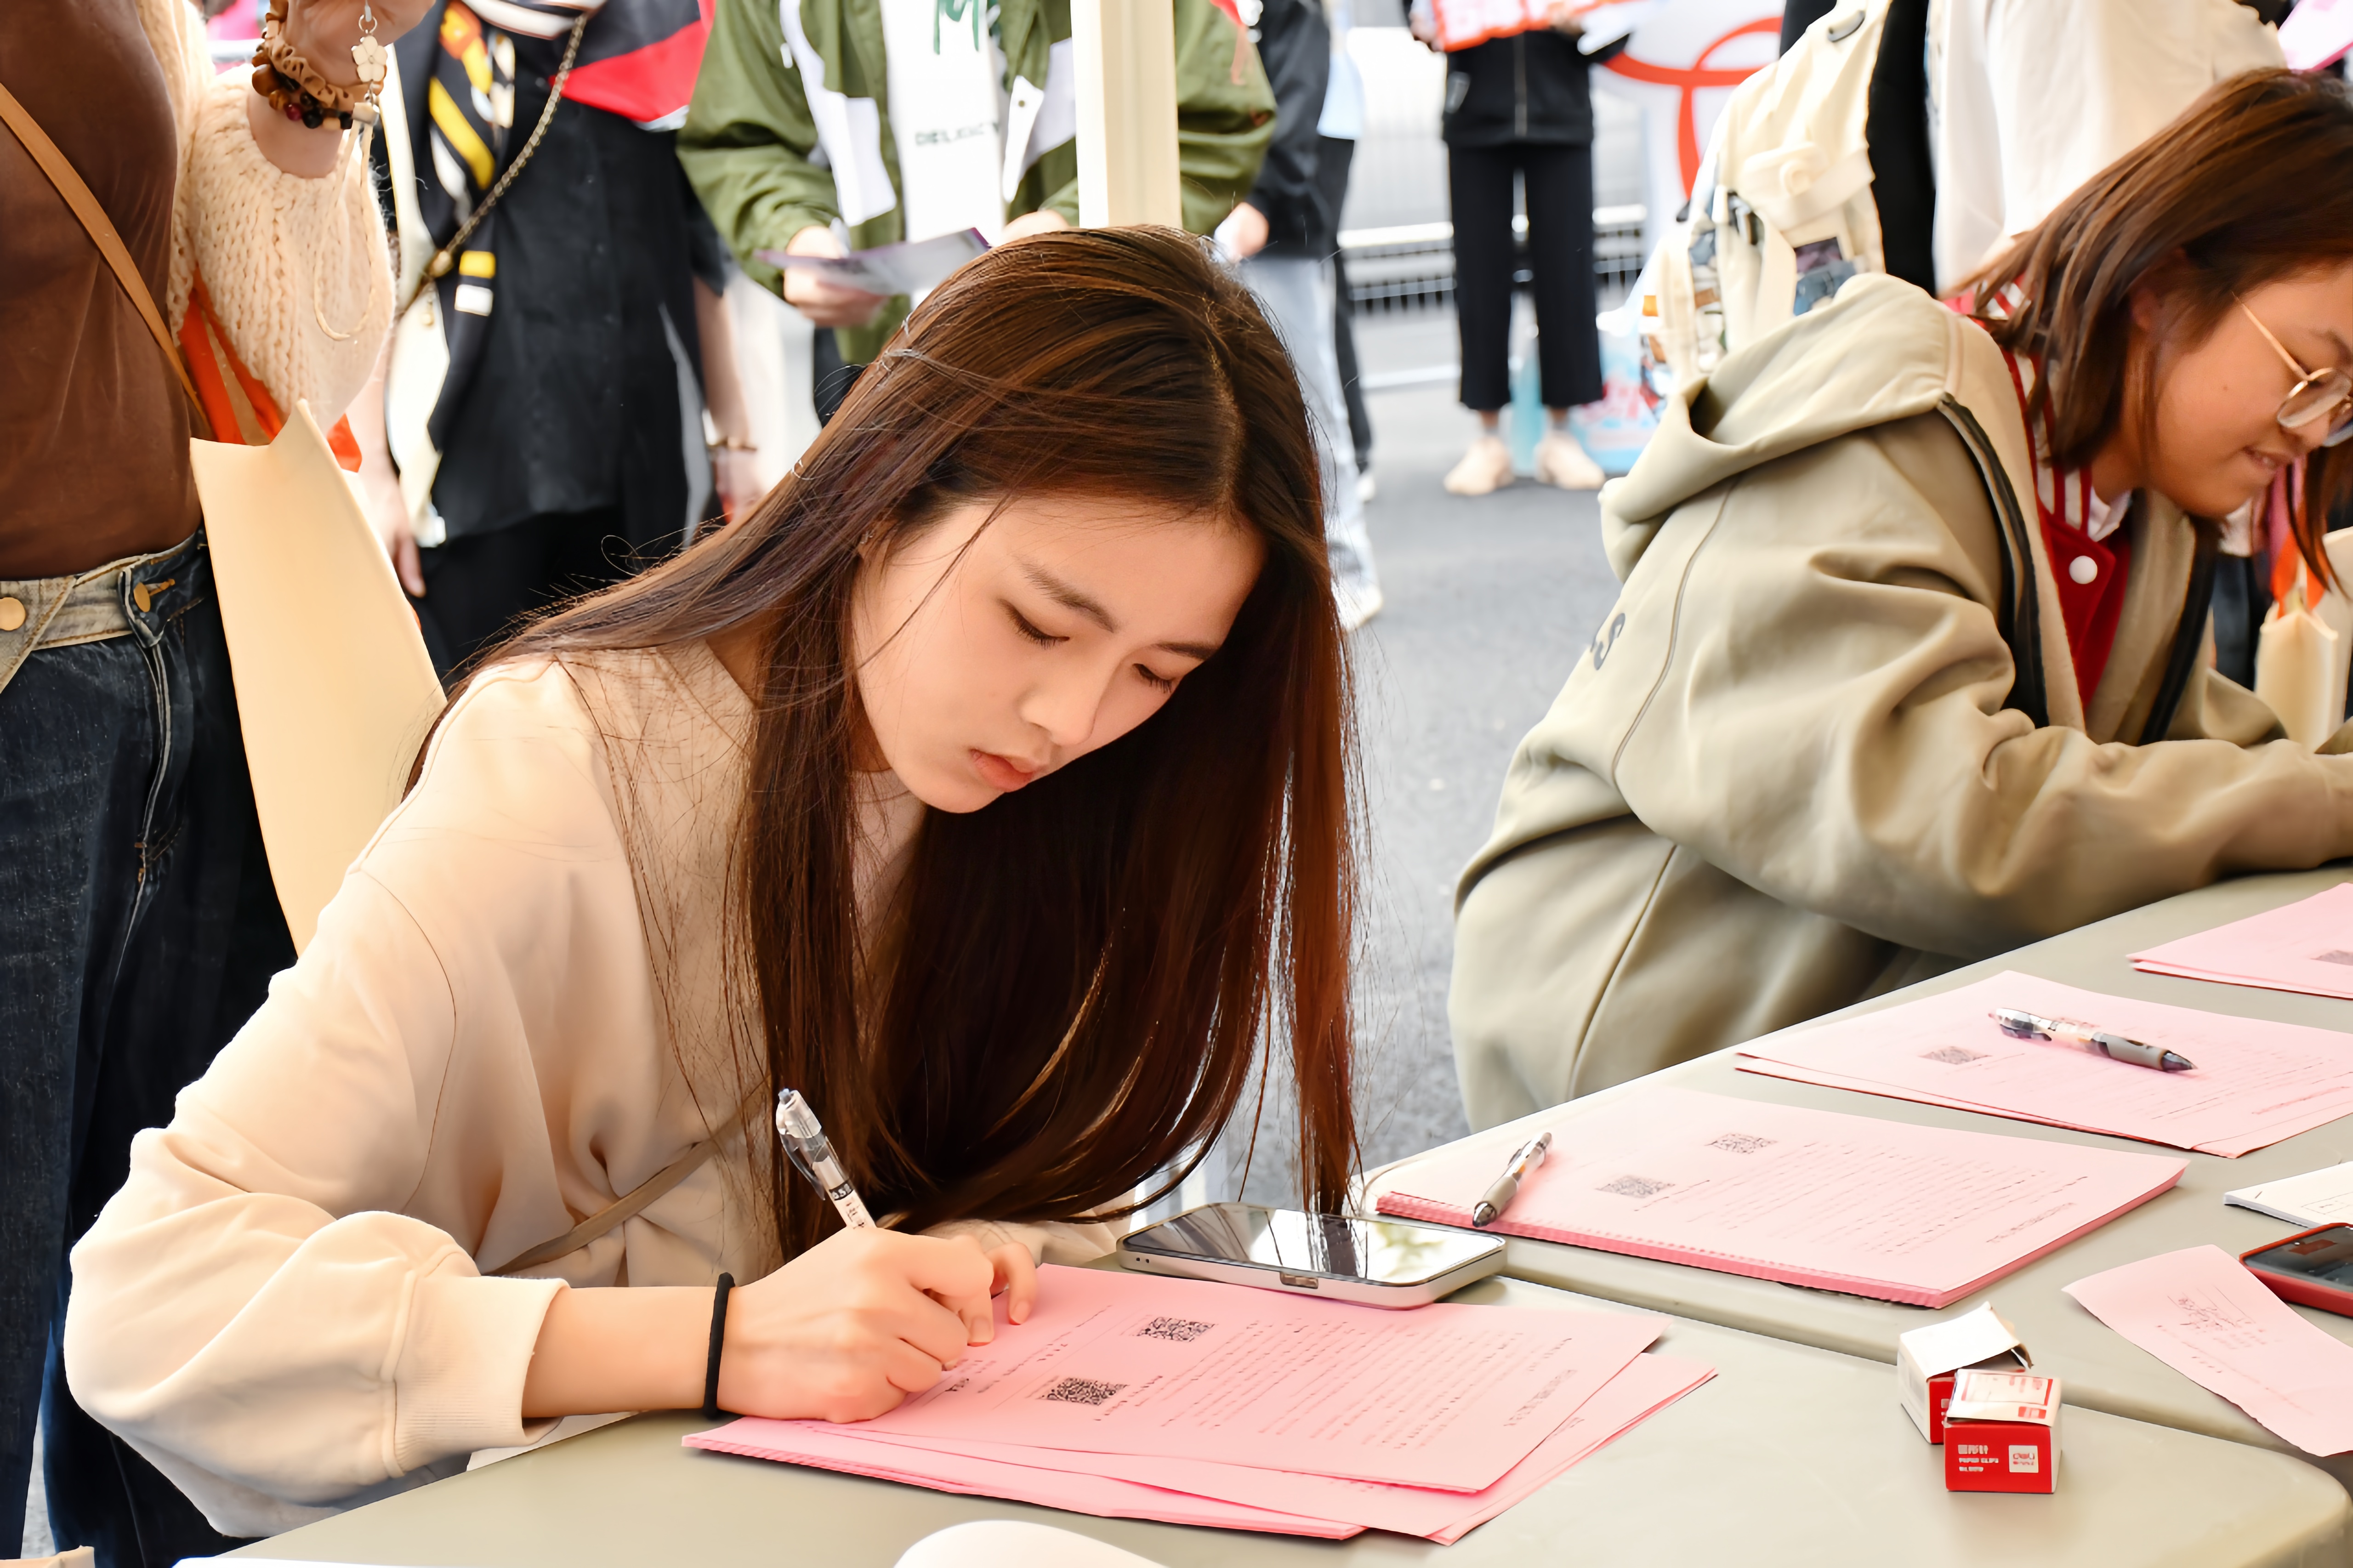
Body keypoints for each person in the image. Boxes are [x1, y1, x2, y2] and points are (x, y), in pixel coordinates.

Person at [61, 227, 1362, 1534]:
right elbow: (148, 1296)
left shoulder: (1084, 799)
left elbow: (1046, 1187)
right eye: (1038, 623)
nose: (1070, 718)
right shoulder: (567, 770)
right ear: (880, 494)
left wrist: (992, 1249)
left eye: (1158, 672)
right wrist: (725, 1342)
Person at [1448, 70, 2353, 1125]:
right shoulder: (1903, 398)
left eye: (2343, 404)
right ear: (2158, 282)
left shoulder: (2133, 502)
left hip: (1834, 1041)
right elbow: (1945, 812)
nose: (2311, 429)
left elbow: (2185, 761)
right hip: (1637, 1055)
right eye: (2310, 370)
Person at [1, 0, 414, 1559]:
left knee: (193, 1301)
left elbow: (294, 358)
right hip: (22, 695)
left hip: (194, 641)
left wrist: (314, 73)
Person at [360, 0, 758, 679]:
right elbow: (376, 257)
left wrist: (735, 441)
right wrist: (373, 473)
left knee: (637, 713)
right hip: (473, 467)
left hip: (638, 460)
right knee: (478, 714)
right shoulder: (416, 33)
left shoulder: (659, 28)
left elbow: (697, 256)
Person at [679, 0, 1276, 407]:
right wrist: (794, 233)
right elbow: (742, 137)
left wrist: (1074, 229)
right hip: (880, 366)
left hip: (1083, 349)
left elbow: (1211, 118)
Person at [1218, 0, 1383, 629]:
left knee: (1308, 396)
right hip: (1224, 199)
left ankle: (1347, 569)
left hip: (1278, 208)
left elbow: (1299, 79)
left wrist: (1263, 198)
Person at [1411, 0, 1607, 497]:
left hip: (1561, 108)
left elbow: (1616, 22)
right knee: (1479, 276)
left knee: (1568, 272)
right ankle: (1487, 437)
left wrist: (1587, 24)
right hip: (1475, 108)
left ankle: (1562, 433)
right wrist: (1421, 17)